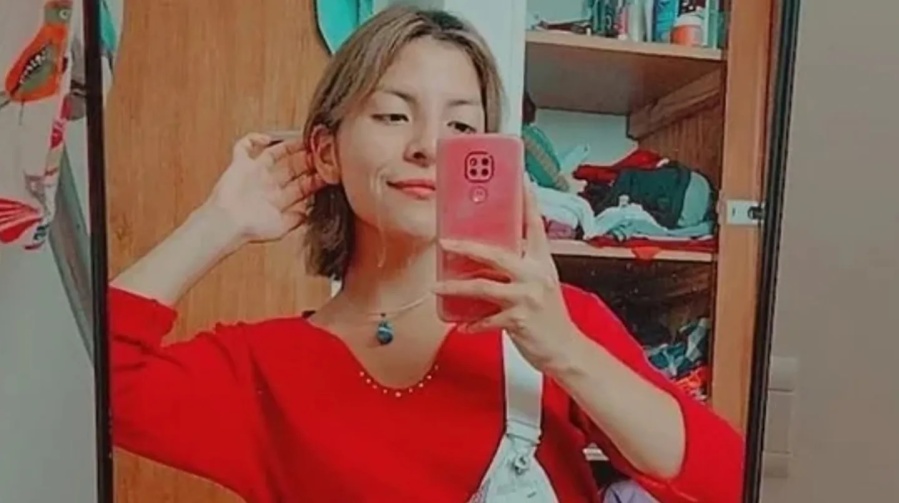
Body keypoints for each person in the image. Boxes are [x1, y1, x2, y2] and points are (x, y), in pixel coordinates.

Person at [108, 6, 744, 503]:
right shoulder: (263, 372)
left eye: (461, 126)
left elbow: (728, 484)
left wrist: (565, 353)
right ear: (326, 152)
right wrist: (218, 223)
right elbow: (98, 383)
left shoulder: (554, 323)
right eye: (392, 115)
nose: (428, 146)